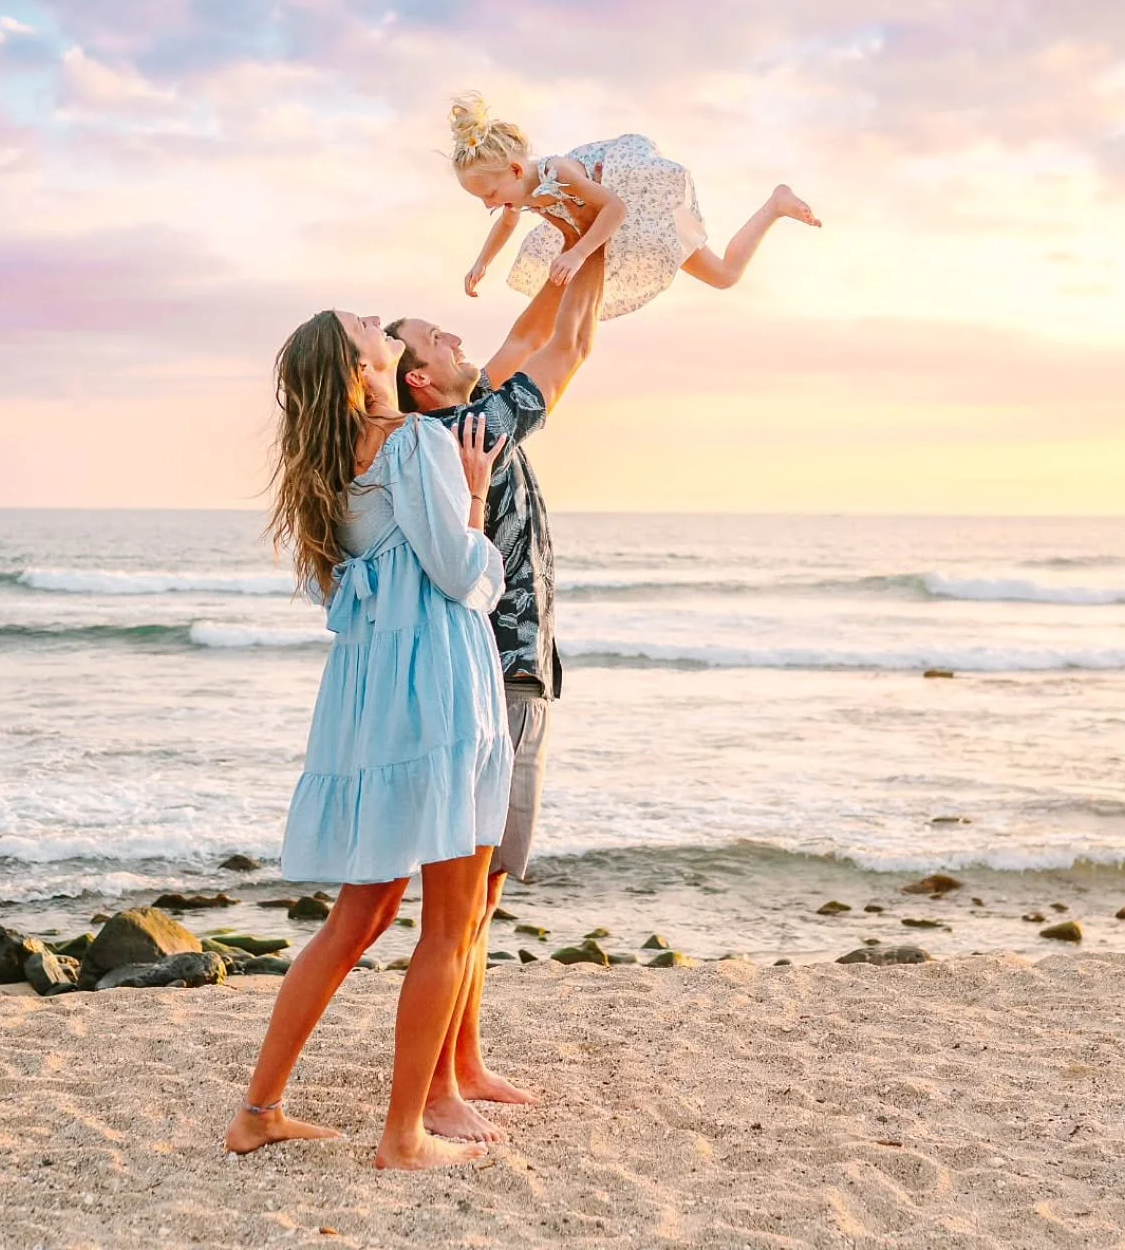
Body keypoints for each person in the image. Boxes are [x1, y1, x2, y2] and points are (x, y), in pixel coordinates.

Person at [224, 308, 512, 1172]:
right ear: (363, 366)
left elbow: (335, 595)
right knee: (452, 923)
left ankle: (258, 1112)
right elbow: (461, 574)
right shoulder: (414, 443)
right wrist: (476, 499)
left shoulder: (323, 470)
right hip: (438, 690)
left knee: (361, 915)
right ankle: (403, 1136)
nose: (377, 320)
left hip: (367, 698)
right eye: (366, 324)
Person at [385, 245, 606, 1143]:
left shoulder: (463, 424)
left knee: (484, 896)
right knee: (465, 900)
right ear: (423, 383)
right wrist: (588, 248)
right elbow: (567, 347)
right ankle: (438, 1086)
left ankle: (463, 1064)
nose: (447, 332)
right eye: (426, 338)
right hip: (500, 679)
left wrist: (576, 254)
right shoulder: (468, 432)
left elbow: (540, 333)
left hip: (520, 676)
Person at [449, 91, 820, 319]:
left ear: (515, 170)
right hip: (601, 229)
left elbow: (616, 209)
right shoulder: (521, 191)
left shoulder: (558, 172)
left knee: (724, 276)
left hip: (641, 209)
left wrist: (578, 254)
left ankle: (775, 204)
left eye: (490, 195)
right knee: (567, 301)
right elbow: (507, 223)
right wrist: (482, 262)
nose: (489, 206)